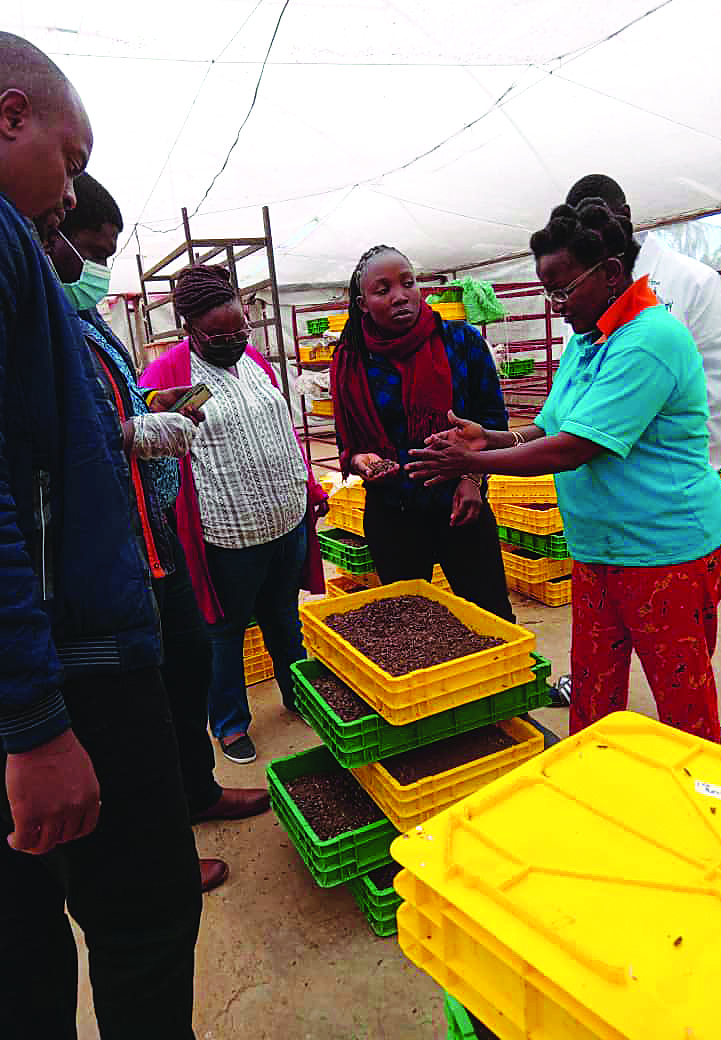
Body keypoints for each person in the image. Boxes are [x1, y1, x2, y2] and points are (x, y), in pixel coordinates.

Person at [0, 33, 200, 1039]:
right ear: (10, 116)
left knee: (32, 955)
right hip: (66, 667)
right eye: (69, 162)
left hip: (60, 651)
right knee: (143, 920)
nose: (68, 198)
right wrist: (34, 719)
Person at [408, 199, 721, 743]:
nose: (556, 306)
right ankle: (594, 781)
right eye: (547, 291)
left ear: (610, 272)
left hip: (666, 551)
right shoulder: (589, 341)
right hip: (600, 548)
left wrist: (472, 463)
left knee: (681, 699)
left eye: (563, 290)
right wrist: (488, 437)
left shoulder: (649, 340)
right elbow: (550, 427)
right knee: (592, 686)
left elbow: (575, 448)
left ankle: (697, 794)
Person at [42, 173, 271, 893]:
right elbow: (50, 442)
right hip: (111, 557)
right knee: (135, 721)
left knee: (186, 672)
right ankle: (160, 856)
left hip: (153, 541)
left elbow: (112, 404)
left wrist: (149, 404)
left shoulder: (85, 323)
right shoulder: (38, 330)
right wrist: (133, 433)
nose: (87, 267)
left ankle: (196, 794)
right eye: (76, 246)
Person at [141, 265, 328, 765]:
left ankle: (298, 695)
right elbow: (149, 445)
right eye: (218, 335)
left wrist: (308, 487)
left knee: (285, 619)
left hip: (284, 522)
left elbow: (283, 428)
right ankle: (228, 723)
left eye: (239, 330)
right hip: (227, 536)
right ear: (190, 329)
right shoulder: (166, 374)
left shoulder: (256, 363)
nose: (233, 341)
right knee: (223, 633)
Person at [329, 244, 514, 622]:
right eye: (383, 290)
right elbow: (348, 441)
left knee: (490, 618)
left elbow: (492, 421)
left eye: (408, 283)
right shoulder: (351, 362)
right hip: (392, 511)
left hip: (462, 503)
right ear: (363, 303)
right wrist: (362, 460)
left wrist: (471, 479)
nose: (400, 296)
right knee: (410, 626)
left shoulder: (461, 343)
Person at [566, 174, 721, 470]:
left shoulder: (692, 281)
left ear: (624, 215)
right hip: (599, 471)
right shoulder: (585, 294)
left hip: (669, 474)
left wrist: (688, 465)